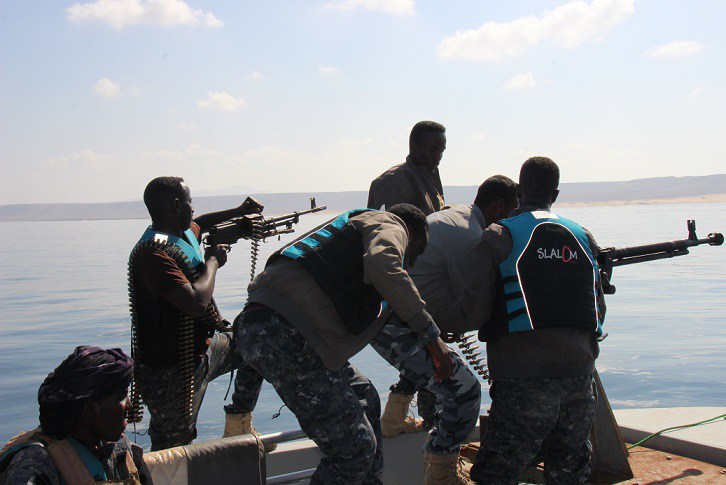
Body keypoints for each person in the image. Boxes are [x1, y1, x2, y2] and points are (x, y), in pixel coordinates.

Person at [235, 203, 455, 484]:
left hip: (273, 330)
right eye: (416, 251)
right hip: (286, 335)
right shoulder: (390, 223)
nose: (410, 263)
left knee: (366, 397)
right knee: (353, 451)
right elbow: (383, 263)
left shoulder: (353, 234)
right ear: (410, 232)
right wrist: (433, 338)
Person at [370, 175, 518, 484]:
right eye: (511, 212)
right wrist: (448, 329)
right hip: (394, 320)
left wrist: (440, 329)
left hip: (386, 314)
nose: (511, 221)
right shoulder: (471, 236)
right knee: (465, 391)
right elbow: (474, 307)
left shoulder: (457, 216)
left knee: (428, 358)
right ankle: (442, 473)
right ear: (499, 206)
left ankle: (393, 419)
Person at [469, 157, 606, 484]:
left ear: (518, 190)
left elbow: (475, 303)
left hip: (523, 380)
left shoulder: (500, 235)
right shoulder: (583, 236)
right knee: (569, 470)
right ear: (555, 194)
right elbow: (597, 307)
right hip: (580, 380)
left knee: (497, 473)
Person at [128, 176, 265, 451]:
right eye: (189, 203)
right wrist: (212, 261)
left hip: (204, 352)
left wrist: (238, 213)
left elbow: (202, 222)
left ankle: (237, 423)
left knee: (258, 341)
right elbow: (195, 304)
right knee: (173, 447)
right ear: (176, 205)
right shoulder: (152, 253)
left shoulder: (180, 234)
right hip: (171, 372)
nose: (192, 209)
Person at [367, 120, 447, 434]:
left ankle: (406, 417)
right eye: (432, 149)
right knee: (425, 355)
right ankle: (429, 430)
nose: (438, 155)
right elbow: (386, 239)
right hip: (402, 289)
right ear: (413, 146)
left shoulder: (429, 173)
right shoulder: (393, 181)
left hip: (426, 282)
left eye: (442, 150)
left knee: (429, 356)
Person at [0, 346, 153, 484]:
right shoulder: (36, 464)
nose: (129, 405)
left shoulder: (122, 450)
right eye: (120, 397)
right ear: (89, 408)